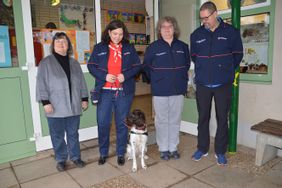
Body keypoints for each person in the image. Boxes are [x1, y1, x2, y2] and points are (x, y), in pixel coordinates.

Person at [190, 1, 243, 165]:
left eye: (206, 18)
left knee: (222, 118)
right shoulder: (196, 35)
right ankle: (202, 148)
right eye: (201, 18)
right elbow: (194, 57)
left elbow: (237, 55)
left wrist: (223, 70)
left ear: (215, 14)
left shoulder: (231, 33)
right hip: (203, 84)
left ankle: (220, 151)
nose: (203, 21)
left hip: (223, 84)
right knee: (203, 118)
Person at [87, 20, 141, 166]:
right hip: (104, 92)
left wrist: (126, 75)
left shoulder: (129, 47)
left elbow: (137, 66)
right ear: (109, 32)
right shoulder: (100, 48)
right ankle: (103, 153)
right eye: (115, 33)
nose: (117, 37)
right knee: (103, 123)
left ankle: (120, 153)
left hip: (123, 92)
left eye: (121, 34)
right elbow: (91, 65)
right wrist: (104, 76)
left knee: (122, 124)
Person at [36, 32, 89, 171]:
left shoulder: (74, 63)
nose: (61, 44)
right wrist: (45, 102)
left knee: (73, 133)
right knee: (57, 135)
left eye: (64, 41)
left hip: (73, 106)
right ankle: (60, 159)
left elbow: (81, 82)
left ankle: (76, 157)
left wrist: (84, 98)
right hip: (55, 106)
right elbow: (41, 84)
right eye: (58, 41)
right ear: (53, 45)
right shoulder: (45, 63)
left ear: (68, 45)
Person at [143, 16, 190, 160]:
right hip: (160, 90)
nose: (167, 29)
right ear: (159, 30)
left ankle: (173, 147)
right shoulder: (153, 47)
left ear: (174, 29)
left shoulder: (183, 47)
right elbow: (146, 67)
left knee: (175, 119)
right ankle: (163, 148)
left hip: (178, 89)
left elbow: (186, 65)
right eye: (164, 27)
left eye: (170, 26)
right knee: (162, 120)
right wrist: (158, 79)